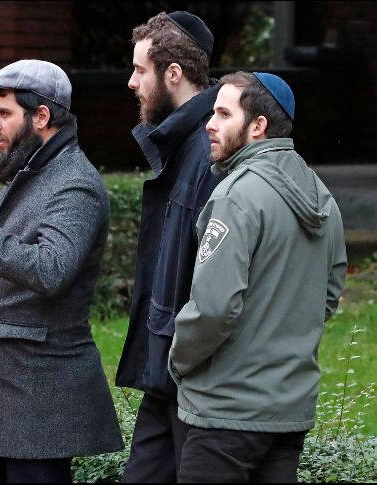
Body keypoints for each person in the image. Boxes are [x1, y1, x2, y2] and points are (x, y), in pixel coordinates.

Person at [0, 59, 123, 483]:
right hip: (4, 401)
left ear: (42, 116)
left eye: (4, 113)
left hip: (36, 404)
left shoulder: (74, 183)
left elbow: (51, 270)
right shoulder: (32, 168)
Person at [169, 72, 347, 482]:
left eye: (222, 113)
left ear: (257, 127)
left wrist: (178, 360)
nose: (209, 124)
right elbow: (329, 294)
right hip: (288, 412)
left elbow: (213, 309)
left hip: (227, 414)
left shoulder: (236, 196)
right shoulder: (321, 195)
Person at [113, 11, 224, 482]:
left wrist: (180, 355)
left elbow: (212, 279)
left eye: (140, 70)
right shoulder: (182, 144)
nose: (132, 82)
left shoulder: (206, 151)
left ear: (172, 74)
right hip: (169, 373)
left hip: (189, 375)